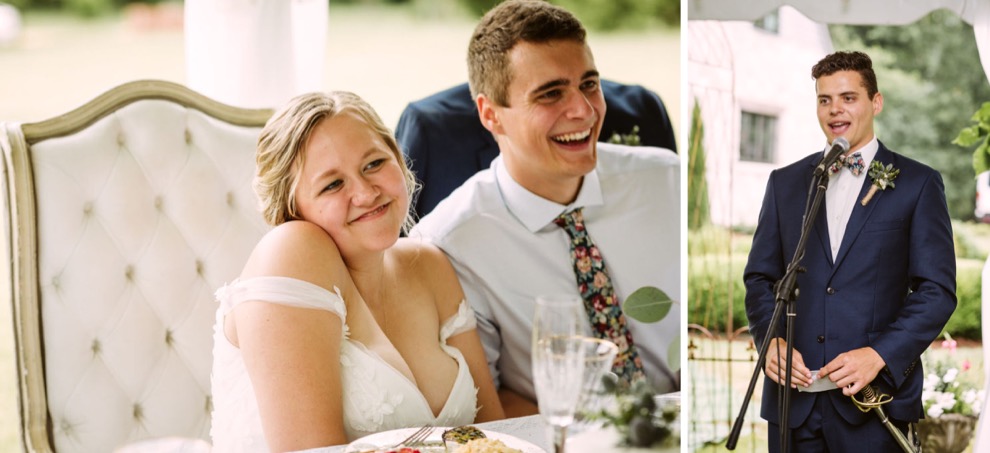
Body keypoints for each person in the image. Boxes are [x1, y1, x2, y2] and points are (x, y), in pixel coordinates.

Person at [411, 0, 680, 417]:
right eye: (551, 94)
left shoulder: (667, 181)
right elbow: (487, 400)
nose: (585, 111)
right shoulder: (449, 246)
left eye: (589, 84)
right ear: (490, 115)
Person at [210, 91, 504, 452]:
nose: (366, 192)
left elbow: (497, 436)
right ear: (291, 208)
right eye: (333, 184)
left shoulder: (428, 265)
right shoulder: (289, 250)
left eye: (374, 164)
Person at [743, 50, 956, 452]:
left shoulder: (919, 184)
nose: (834, 110)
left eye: (848, 97)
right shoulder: (784, 183)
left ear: (876, 102)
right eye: (824, 100)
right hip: (793, 405)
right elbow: (760, 278)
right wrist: (768, 340)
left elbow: (936, 292)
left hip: (873, 403)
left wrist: (879, 354)